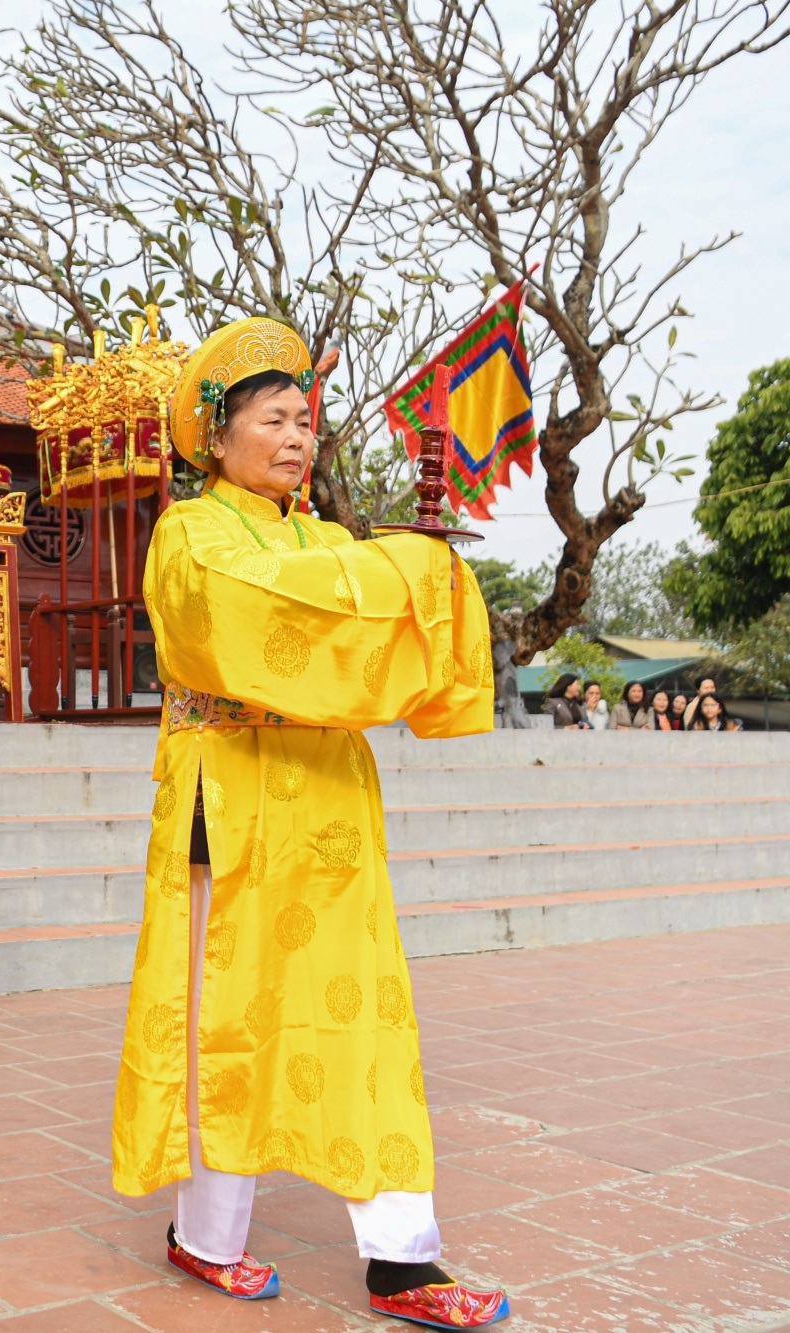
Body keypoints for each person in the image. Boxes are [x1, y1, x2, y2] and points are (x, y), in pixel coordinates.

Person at [115, 317, 507, 1328]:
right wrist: (400, 570)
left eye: (306, 422)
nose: (296, 440)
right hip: (231, 809)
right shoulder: (188, 535)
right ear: (216, 435)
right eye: (274, 420)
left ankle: (401, 1262)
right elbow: (253, 619)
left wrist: (412, 575)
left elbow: (362, 622)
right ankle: (203, 1237)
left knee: (362, 1019)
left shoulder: (323, 539)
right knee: (222, 1024)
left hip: (325, 810)